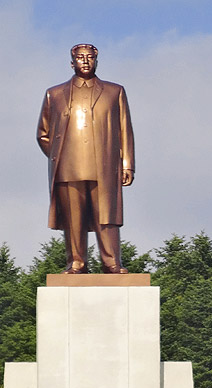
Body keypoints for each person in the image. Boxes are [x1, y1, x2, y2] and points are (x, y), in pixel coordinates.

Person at [37, 43, 135, 274]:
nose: (85, 61)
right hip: (68, 167)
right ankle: (76, 262)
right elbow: (43, 134)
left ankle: (111, 262)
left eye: (89, 57)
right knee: (73, 218)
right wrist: (60, 155)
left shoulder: (114, 92)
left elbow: (125, 130)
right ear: (72, 62)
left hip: (104, 165)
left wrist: (127, 164)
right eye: (80, 57)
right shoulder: (55, 94)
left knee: (107, 216)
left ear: (96, 60)